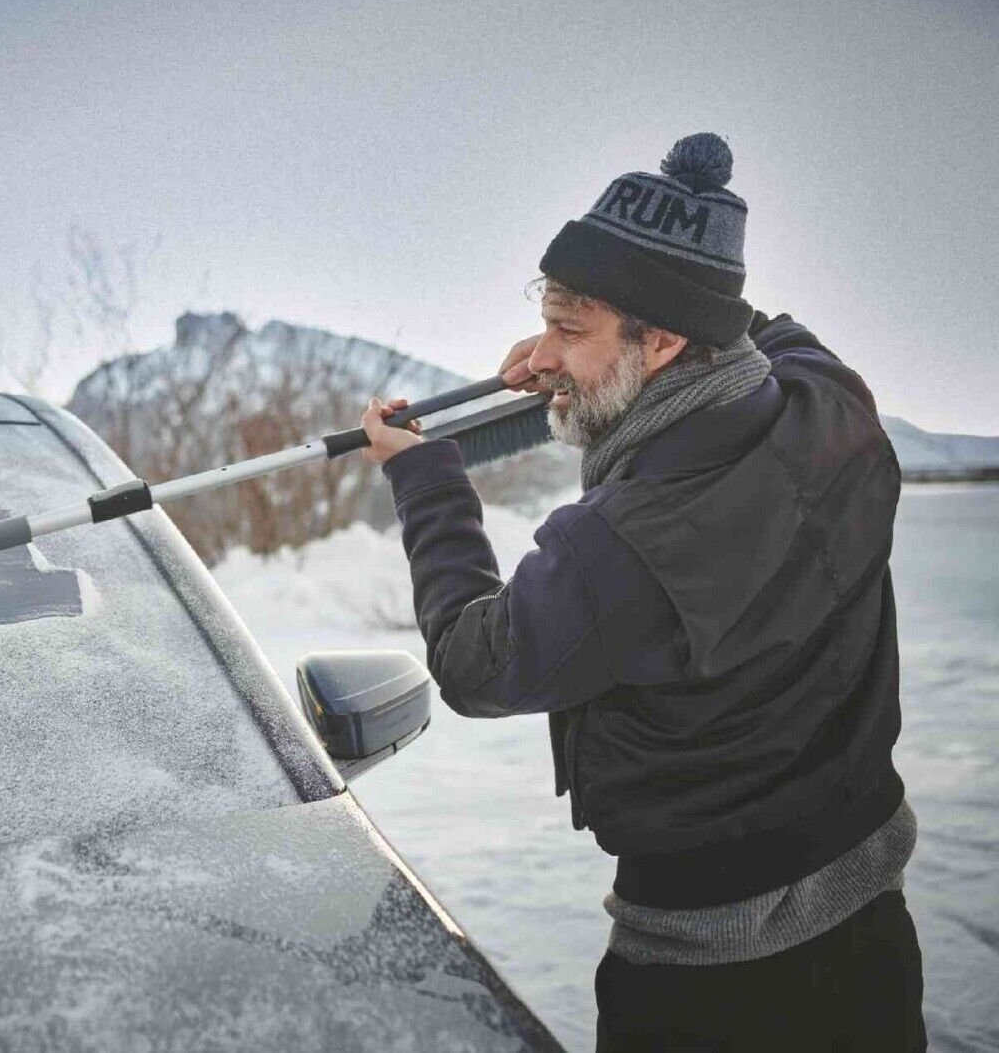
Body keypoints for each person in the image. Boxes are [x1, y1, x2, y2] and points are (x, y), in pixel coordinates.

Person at [358, 133, 925, 1051]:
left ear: (662, 340)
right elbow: (763, 329)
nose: (544, 353)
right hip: (871, 931)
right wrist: (573, 351)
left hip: (707, 988)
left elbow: (473, 662)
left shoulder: (615, 547)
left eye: (569, 328)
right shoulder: (837, 410)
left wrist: (425, 478)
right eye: (547, 321)